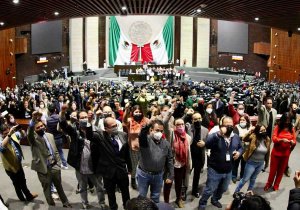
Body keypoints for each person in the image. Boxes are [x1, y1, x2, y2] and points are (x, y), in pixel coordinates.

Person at [59, 105, 105, 209]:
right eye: (82, 118)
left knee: (100, 187)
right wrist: (62, 112)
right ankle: (85, 204)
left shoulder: (95, 130)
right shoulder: (75, 131)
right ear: (78, 120)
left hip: (94, 164)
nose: (84, 119)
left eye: (86, 117)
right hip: (80, 164)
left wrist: (92, 121)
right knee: (83, 186)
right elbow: (64, 125)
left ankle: (101, 203)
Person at [27, 111, 71, 207]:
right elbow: (29, 133)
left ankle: (65, 202)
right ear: (34, 129)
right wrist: (33, 120)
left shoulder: (50, 135)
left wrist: (58, 163)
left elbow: (55, 151)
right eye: (38, 127)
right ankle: (51, 205)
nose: (41, 128)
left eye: (42, 126)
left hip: (55, 166)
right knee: (47, 189)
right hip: (43, 168)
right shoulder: (33, 139)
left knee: (59, 186)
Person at [198, 116, 243, 210]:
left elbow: (241, 147)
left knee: (223, 189)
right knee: (209, 190)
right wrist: (219, 134)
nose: (229, 126)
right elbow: (207, 144)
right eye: (227, 125)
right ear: (221, 126)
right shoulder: (216, 135)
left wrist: (239, 152)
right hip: (215, 169)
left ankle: (215, 199)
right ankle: (202, 204)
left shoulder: (236, 137)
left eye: (231, 124)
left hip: (228, 170)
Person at [91, 117, 131, 210]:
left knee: (126, 194)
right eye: (112, 126)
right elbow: (90, 135)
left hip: (122, 171)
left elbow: (127, 153)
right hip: (108, 172)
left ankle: (127, 207)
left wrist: (130, 168)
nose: (115, 128)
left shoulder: (123, 135)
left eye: (116, 125)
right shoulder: (101, 137)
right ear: (106, 128)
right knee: (111, 195)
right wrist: (89, 122)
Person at [137, 119, 174, 203]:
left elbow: (170, 159)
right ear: (151, 130)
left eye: (161, 131)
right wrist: (147, 125)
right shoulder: (145, 140)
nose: (159, 133)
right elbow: (141, 135)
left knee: (155, 197)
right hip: (144, 174)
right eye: (157, 130)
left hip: (158, 175)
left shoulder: (166, 144)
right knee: (142, 197)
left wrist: (171, 175)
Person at [0, 124, 38, 202]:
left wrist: (20, 130)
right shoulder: (1, 139)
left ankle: (28, 196)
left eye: (8, 132)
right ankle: (22, 198)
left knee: (23, 181)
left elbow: (23, 135)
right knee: (16, 183)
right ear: (1, 133)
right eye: (5, 134)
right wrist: (9, 134)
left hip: (18, 164)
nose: (7, 134)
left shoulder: (13, 134)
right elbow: (2, 147)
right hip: (10, 167)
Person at [163, 118, 192, 208]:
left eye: (182, 124)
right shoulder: (171, 134)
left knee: (179, 184)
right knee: (168, 184)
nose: (180, 126)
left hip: (182, 164)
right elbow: (165, 123)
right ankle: (166, 202)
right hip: (171, 165)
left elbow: (188, 151)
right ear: (174, 126)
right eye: (178, 125)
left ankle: (178, 199)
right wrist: (171, 110)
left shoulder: (188, 137)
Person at [264, 112, 296, 191]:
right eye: (286, 120)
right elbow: (274, 139)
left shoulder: (292, 129)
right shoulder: (278, 127)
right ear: (283, 119)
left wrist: (292, 142)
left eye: (289, 120)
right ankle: (269, 184)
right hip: (276, 153)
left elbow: (294, 140)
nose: (287, 122)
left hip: (285, 154)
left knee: (281, 171)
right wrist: (281, 139)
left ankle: (276, 185)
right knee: (272, 171)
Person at [234, 124, 271, 193]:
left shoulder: (267, 139)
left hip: (260, 163)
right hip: (251, 163)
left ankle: (249, 191)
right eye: (261, 130)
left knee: (253, 178)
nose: (263, 132)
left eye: (264, 130)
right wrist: (250, 131)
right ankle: (236, 191)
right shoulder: (254, 136)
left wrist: (266, 163)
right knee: (245, 179)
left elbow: (268, 152)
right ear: (257, 131)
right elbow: (244, 139)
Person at [123, 104, 149, 189]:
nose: (138, 113)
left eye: (139, 112)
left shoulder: (146, 120)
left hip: (145, 147)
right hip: (134, 148)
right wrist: (126, 110)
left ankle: (144, 179)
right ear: (132, 113)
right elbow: (124, 120)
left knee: (144, 165)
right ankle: (133, 180)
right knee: (134, 165)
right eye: (136, 112)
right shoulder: (130, 120)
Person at [186, 113, 208, 198]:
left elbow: (208, 142)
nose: (197, 120)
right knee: (186, 175)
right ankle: (184, 190)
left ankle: (194, 190)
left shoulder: (205, 130)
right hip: (189, 155)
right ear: (192, 120)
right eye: (195, 119)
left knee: (197, 175)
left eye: (199, 118)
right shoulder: (188, 128)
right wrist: (187, 114)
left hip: (199, 155)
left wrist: (204, 143)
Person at [46, 104, 68, 169]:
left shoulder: (48, 119)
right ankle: (64, 164)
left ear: (49, 111)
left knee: (53, 151)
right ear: (55, 110)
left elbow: (48, 129)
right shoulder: (59, 117)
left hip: (52, 138)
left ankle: (56, 163)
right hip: (60, 137)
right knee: (60, 151)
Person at [232, 115, 251, 183]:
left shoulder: (250, 127)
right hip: (238, 148)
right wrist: (245, 137)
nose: (242, 121)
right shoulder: (236, 127)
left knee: (244, 163)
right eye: (241, 120)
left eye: (243, 120)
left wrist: (244, 137)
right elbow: (235, 137)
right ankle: (234, 176)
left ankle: (242, 176)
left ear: (247, 121)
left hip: (246, 148)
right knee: (235, 163)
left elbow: (251, 137)